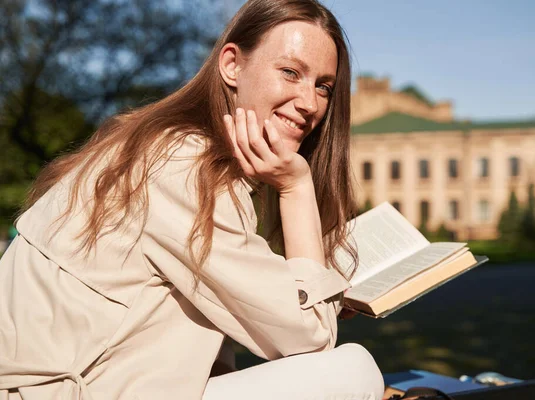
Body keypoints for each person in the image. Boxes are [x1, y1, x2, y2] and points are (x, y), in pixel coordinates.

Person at [0, 0, 384, 398]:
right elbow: (312, 336)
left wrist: (320, 297)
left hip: (95, 383)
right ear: (232, 65)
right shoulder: (183, 165)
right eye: (290, 73)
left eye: (323, 86)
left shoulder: (175, 148)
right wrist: (296, 188)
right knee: (352, 371)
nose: (310, 103)